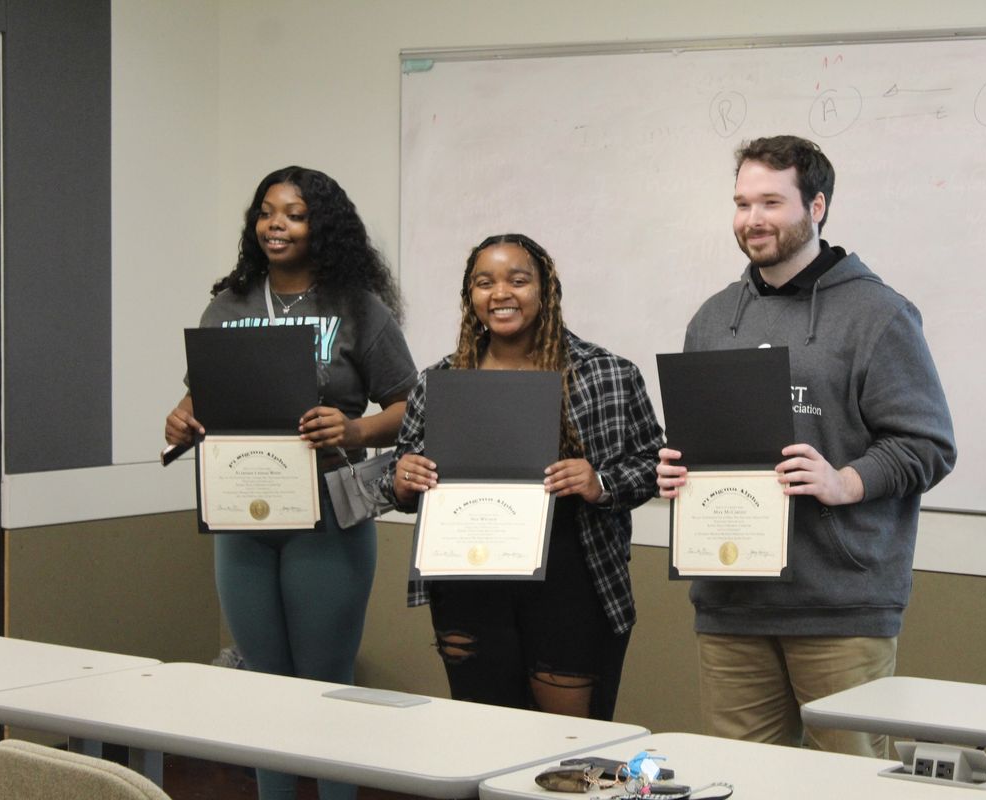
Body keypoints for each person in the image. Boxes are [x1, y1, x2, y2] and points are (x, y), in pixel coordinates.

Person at [656, 135, 956, 756]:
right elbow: (705, 440)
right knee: (742, 779)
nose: (752, 220)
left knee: (851, 784)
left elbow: (927, 445)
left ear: (816, 207)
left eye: (771, 202)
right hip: (731, 602)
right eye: (742, 203)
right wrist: (676, 471)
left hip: (839, 608)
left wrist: (844, 481)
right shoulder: (712, 320)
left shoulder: (878, 314)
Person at [164, 166, 417, 800]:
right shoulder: (229, 304)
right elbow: (203, 396)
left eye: (295, 214)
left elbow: (412, 407)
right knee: (262, 687)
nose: (277, 225)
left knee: (325, 684)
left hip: (327, 515)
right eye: (268, 212)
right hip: (242, 516)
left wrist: (354, 430)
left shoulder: (358, 307)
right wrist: (182, 416)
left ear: (321, 227)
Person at [378, 233, 663, 720]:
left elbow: (655, 464)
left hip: (573, 578)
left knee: (567, 749)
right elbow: (398, 477)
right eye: (484, 282)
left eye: (518, 280)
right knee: (485, 737)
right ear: (471, 296)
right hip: (468, 579)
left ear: (545, 290)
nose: (500, 294)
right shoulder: (440, 382)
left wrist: (600, 482)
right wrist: (402, 477)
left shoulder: (607, 372)